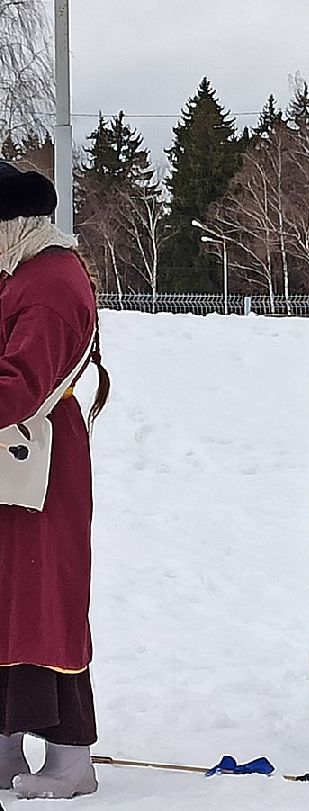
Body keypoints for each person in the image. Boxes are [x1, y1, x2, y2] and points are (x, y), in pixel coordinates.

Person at [0, 162, 110, 799]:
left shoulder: (49, 280)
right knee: (11, 604)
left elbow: (20, 383)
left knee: (47, 605)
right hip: (15, 465)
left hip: (40, 468)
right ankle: (7, 747)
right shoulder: (20, 271)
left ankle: (70, 761)